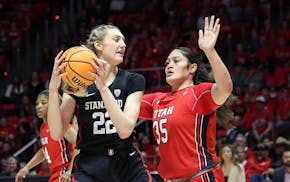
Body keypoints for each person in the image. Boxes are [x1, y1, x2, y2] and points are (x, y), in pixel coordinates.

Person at [48, 24, 153, 182]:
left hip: (126, 163)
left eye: (123, 40)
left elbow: (125, 130)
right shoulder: (78, 84)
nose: (123, 44)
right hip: (90, 164)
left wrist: (103, 88)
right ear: (98, 45)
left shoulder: (133, 80)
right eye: (117, 39)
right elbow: (56, 133)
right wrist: (53, 90)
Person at [139, 15, 233, 181]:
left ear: (192, 68)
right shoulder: (156, 100)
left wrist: (209, 51)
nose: (169, 65)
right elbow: (123, 104)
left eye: (176, 61)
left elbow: (225, 89)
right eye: (167, 62)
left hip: (201, 177)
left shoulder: (198, 94)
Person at [15, 90, 77, 182]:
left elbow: (79, 144)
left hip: (65, 173)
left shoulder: (60, 123)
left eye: (43, 103)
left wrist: (70, 170)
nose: (38, 106)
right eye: (37, 104)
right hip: (56, 174)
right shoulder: (43, 127)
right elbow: (45, 150)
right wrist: (26, 168)